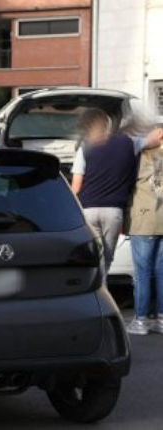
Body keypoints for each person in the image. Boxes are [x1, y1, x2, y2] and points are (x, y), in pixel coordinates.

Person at [70, 109, 162, 279]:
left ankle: (97, 294)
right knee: (106, 259)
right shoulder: (128, 143)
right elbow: (153, 140)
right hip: (114, 213)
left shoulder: (84, 148)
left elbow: (75, 188)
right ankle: (101, 291)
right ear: (108, 125)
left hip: (88, 211)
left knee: (95, 258)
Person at [125, 128, 163, 335]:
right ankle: (160, 318)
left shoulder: (141, 157)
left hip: (144, 217)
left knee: (142, 273)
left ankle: (140, 320)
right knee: (161, 271)